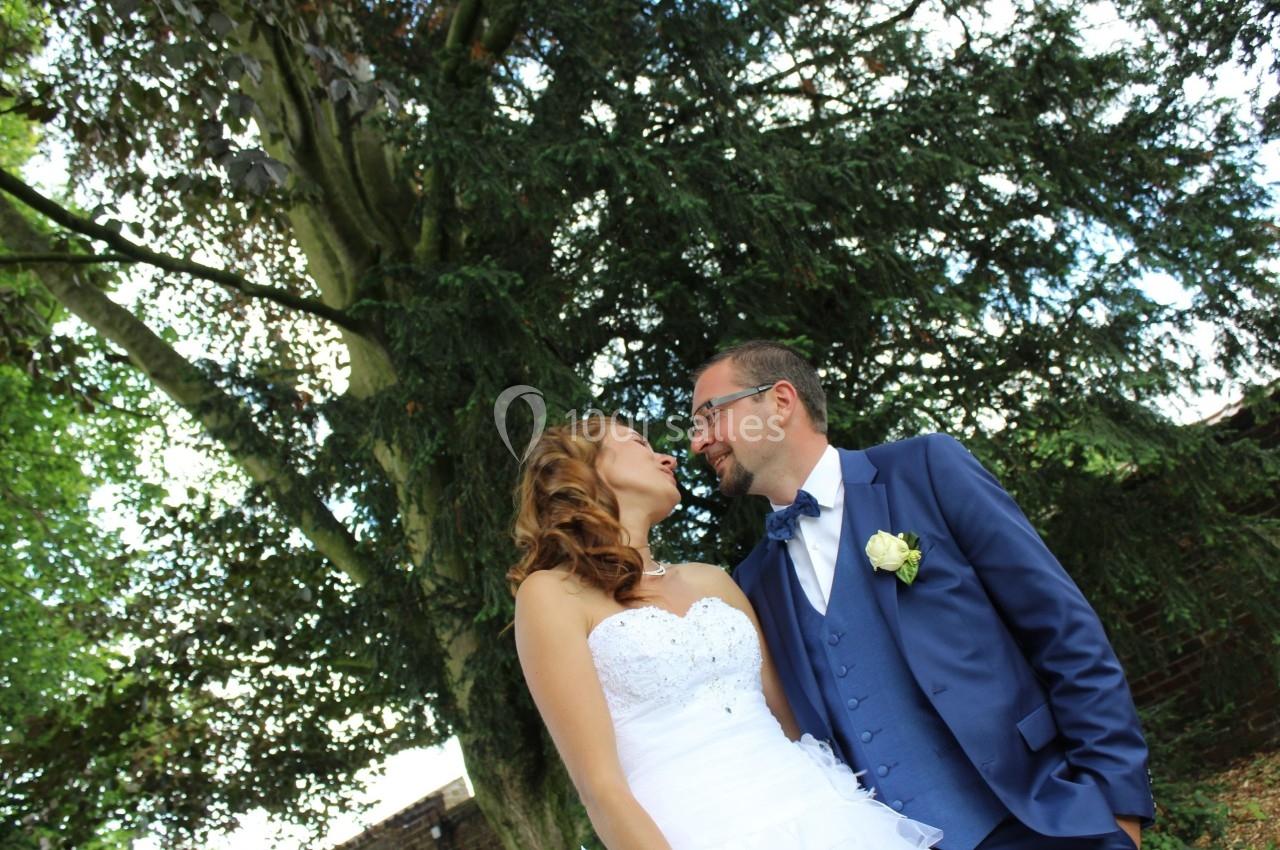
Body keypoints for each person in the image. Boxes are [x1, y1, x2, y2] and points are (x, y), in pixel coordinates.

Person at [688, 340, 1156, 850]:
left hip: (1044, 817)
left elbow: (1064, 631)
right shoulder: (754, 580)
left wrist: (1118, 806)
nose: (698, 443)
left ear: (780, 401)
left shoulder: (925, 470)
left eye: (709, 416)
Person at [508, 414, 943, 850]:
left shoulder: (712, 580)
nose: (669, 457)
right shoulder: (551, 595)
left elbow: (789, 725)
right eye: (640, 443)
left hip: (824, 820)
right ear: (583, 468)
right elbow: (600, 787)